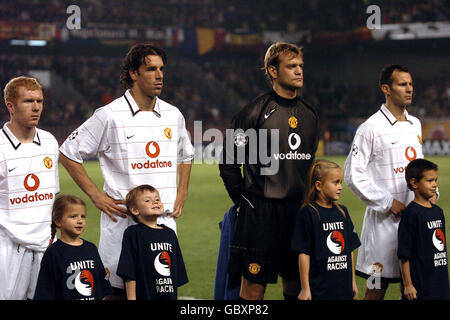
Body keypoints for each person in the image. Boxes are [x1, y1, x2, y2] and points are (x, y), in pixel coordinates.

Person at [59, 43, 194, 298]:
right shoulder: (109, 115)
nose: (160, 75)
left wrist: (182, 192)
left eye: (162, 69)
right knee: (115, 294)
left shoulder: (173, 115)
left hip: (163, 226)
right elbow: (67, 152)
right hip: (121, 226)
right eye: (151, 69)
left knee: (163, 293)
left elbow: (186, 154)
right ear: (134, 73)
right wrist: (96, 196)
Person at [219, 42, 319, 300]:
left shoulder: (310, 114)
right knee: (253, 289)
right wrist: (244, 202)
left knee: (297, 287)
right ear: (273, 71)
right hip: (260, 213)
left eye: (301, 66)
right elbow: (229, 163)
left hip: (297, 211)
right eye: (291, 66)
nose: (299, 71)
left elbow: (308, 166)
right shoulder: (252, 112)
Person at [344, 64, 424, 299]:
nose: (409, 89)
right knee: (376, 287)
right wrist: (388, 202)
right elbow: (352, 174)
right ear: (386, 89)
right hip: (383, 225)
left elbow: (419, 167)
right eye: (402, 84)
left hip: (413, 219)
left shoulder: (415, 124)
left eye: (410, 83)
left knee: (411, 285)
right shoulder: (370, 128)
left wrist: (430, 193)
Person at [0, 76, 59, 300]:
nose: (36, 107)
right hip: (8, 248)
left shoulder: (50, 142)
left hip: (45, 246)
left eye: (39, 101)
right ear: (11, 106)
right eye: (28, 101)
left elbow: (53, 192)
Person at [291, 160, 360, 300]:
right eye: (335, 182)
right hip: (319, 290)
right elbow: (304, 253)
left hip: (343, 288)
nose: (340, 187)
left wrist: (352, 281)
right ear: (318, 185)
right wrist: (305, 288)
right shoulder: (308, 213)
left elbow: (349, 251)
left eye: (341, 182)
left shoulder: (343, 212)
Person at [33, 195, 112, 300]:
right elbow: (45, 292)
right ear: (58, 221)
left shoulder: (91, 249)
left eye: (83, 216)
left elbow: (102, 287)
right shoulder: (54, 252)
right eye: (73, 216)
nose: (80, 221)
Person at [117, 185, 188, 300]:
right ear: (135, 210)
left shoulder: (169, 234)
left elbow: (175, 274)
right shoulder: (133, 233)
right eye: (148, 200)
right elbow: (129, 272)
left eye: (157, 199)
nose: (155, 202)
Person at [397, 159, 449, 300]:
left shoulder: (438, 212)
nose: (434, 185)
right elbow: (404, 254)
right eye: (430, 180)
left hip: (440, 282)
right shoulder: (411, 214)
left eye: (435, 180)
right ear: (414, 183)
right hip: (420, 286)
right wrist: (408, 285)